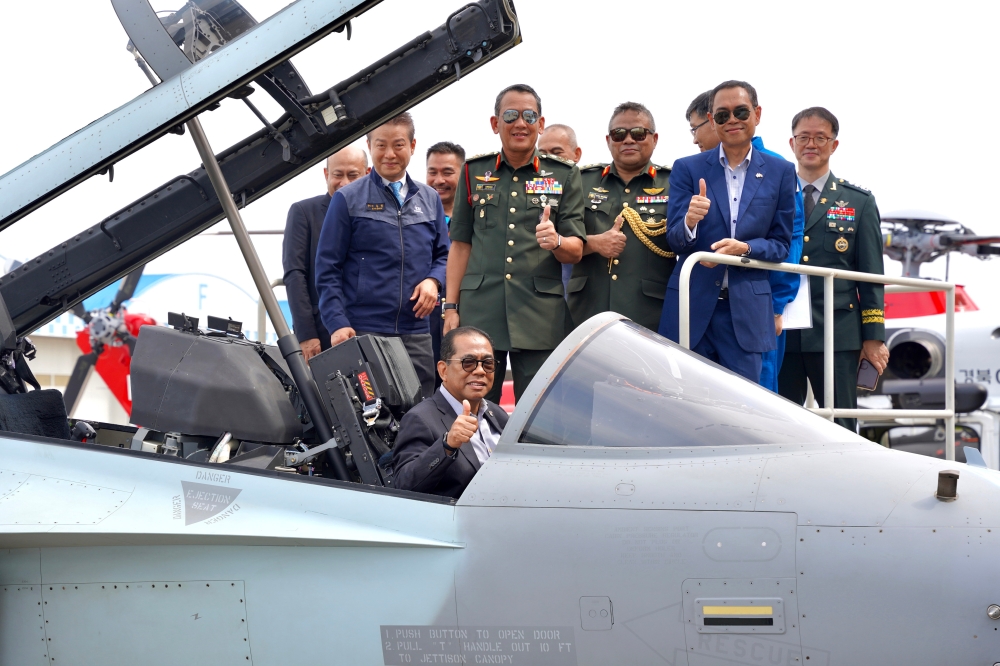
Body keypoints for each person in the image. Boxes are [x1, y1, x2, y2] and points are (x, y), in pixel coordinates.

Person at [444, 84, 586, 405]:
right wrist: (450, 308)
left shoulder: (564, 175)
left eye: (528, 116)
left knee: (538, 412)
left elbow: (576, 248)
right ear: (495, 124)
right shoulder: (473, 171)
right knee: (473, 408)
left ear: (540, 123)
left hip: (538, 317)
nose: (520, 123)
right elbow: (461, 245)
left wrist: (556, 241)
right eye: (510, 115)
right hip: (480, 311)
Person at [658, 80, 794, 382]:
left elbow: (781, 245)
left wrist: (744, 249)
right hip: (692, 306)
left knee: (742, 414)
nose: (732, 120)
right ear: (711, 120)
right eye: (722, 115)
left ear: (757, 114)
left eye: (741, 112)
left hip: (746, 311)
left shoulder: (781, 172)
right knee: (684, 406)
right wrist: (690, 222)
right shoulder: (687, 168)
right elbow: (675, 239)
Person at [314, 113, 449, 398]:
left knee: (418, 417)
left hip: (417, 332)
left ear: (413, 146)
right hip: (364, 331)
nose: (389, 154)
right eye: (381, 145)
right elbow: (327, 270)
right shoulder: (347, 199)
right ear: (369, 146)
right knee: (372, 422)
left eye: (398, 145)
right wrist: (337, 324)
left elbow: (445, 255)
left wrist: (434, 281)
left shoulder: (429, 199)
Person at [779, 107, 888, 430]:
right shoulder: (774, 196)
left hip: (837, 331)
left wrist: (874, 337)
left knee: (841, 422)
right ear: (792, 143)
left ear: (834, 145)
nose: (811, 144)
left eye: (820, 138)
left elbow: (871, 276)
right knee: (781, 420)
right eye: (804, 138)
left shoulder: (858, 202)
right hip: (782, 326)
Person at [569, 102, 674, 331]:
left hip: (649, 313)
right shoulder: (581, 180)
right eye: (619, 134)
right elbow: (560, 242)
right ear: (608, 141)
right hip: (588, 310)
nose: (628, 140)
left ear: (654, 139)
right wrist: (594, 243)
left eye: (638, 133)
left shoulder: (673, 183)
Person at [392, 326, 508, 498]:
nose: (480, 370)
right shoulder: (420, 418)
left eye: (488, 364)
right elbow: (404, 484)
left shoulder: (496, 413)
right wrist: (447, 445)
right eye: (468, 363)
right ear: (443, 370)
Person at [281, 146, 368, 360]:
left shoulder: (379, 213)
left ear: (367, 175)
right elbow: (295, 274)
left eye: (353, 175)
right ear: (326, 174)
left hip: (369, 329)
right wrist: (306, 334)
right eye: (338, 175)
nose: (344, 183)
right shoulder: (304, 212)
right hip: (322, 332)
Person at [753, 134, 805, 393]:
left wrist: (775, 306)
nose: (695, 139)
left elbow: (790, 239)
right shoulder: (703, 168)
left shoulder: (776, 167)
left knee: (759, 391)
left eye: (696, 128)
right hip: (715, 302)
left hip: (760, 300)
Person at [425, 141, 465, 385]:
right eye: (432, 172)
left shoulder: (477, 219)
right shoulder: (412, 217)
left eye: (448, 172)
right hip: (422, 320)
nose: (439, 180)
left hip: (463, 315)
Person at [537, 123, 583, 295]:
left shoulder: (594, 188)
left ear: (576, 154)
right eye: (542, 154)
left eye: (557, 153)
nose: (549, 159)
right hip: (547, 287)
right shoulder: (531, 189)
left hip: (587, 287)